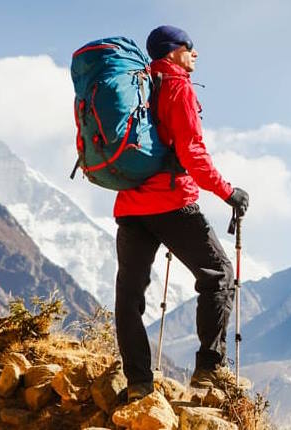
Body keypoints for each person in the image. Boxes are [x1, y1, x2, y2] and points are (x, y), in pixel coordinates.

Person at [113, 24, 250, 401]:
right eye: (191, 47)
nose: (195, 54)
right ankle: (208, 371)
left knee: (129, 297)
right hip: (172, 204)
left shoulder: (135, 84)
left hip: (130, 205)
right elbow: (191, 152)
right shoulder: (176, 87)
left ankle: (138, 383)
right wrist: (228, 192)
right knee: (218, 274)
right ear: (173, 51)